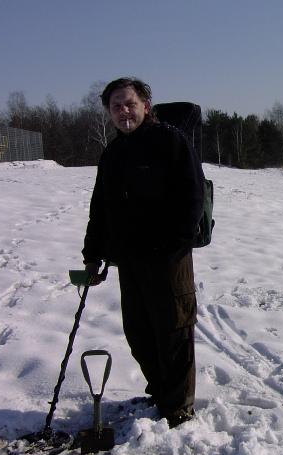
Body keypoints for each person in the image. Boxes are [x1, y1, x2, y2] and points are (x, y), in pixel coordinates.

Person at [81, 77, 205, 427]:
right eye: (116, 106)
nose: (123, 111)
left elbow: (192, 197)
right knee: (139, 332)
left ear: (145, 106)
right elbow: (100, 209)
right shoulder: (113, 154)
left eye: (129, 103)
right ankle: (161, 392)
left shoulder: (170, 141)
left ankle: (178, 409)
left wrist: (175, 244)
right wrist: (92, 255)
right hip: (131, 260)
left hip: (169, 259)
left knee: (174, 332)